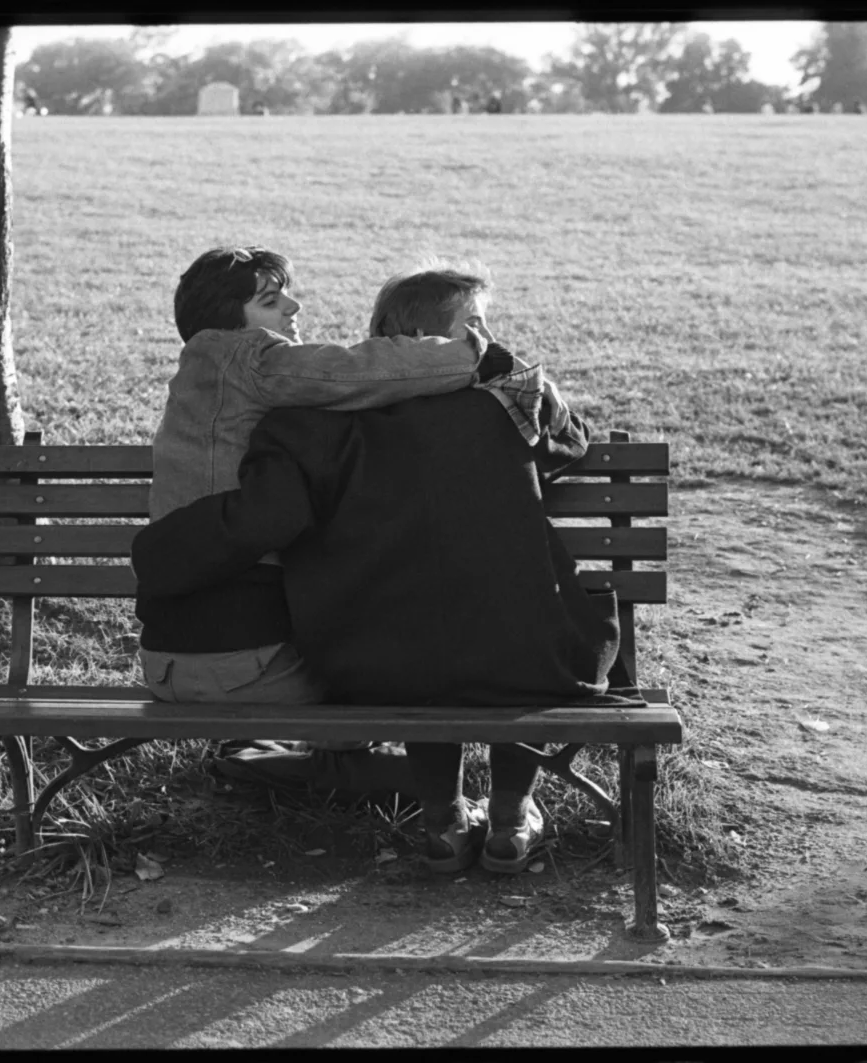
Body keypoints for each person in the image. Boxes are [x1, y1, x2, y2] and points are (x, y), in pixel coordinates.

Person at [133, 263, 642, 874]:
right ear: (435, 347)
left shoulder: (320, 420)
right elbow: (572, 442)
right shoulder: (505, 407)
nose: (486, 342)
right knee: (519, 622)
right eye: (474, 328)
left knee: (422, 633)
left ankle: (444, 819)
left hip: (379, 659)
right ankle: (510, 814)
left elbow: (281, 510)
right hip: (524, 653)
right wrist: (529, 385)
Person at [139, 247, 512, 720]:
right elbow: (351, 371)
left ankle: (326, 766)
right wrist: (474, 355)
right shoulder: (245, 356)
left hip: (165, 666)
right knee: (407, 675)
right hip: (241, 668)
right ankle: (354, 769)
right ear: (230, 320)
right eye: (272, 301)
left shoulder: (200, 376)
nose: (294, 308)